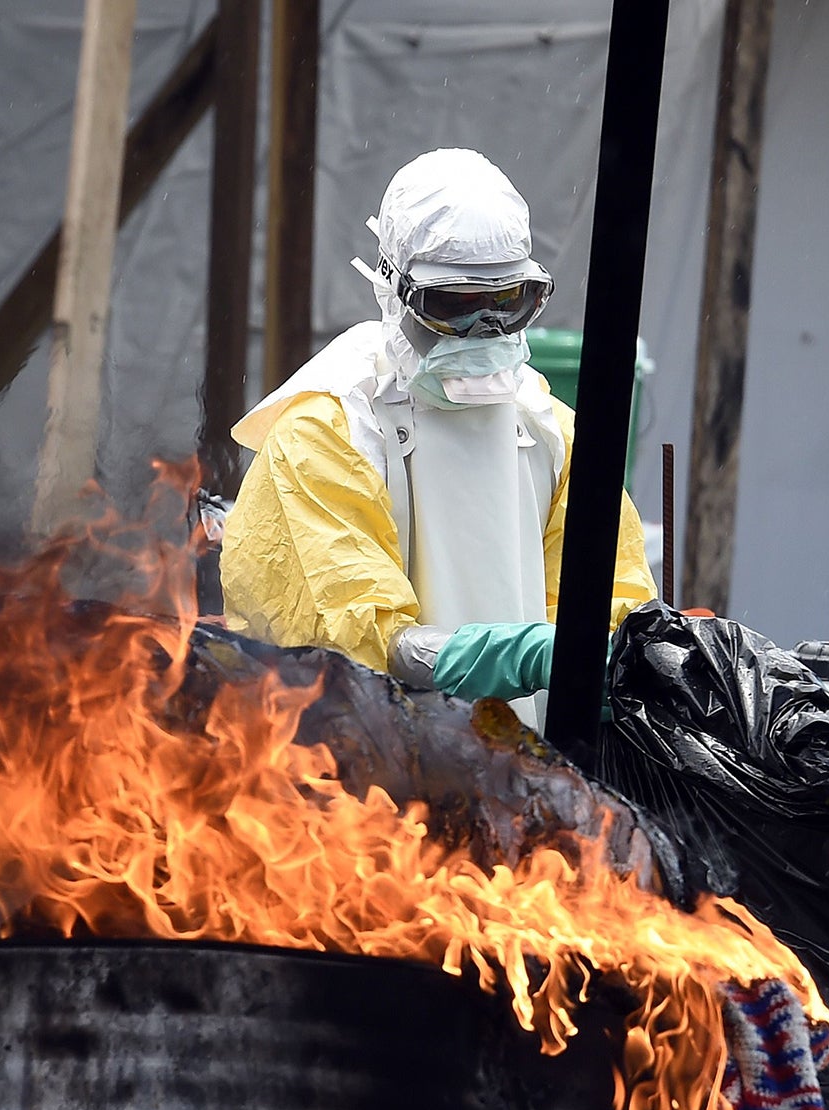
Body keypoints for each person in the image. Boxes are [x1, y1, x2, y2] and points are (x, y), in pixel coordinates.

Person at [220, 148, 655, 727]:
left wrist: (609, 656)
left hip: (523, 774)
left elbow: (616, 600)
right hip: (359, 781)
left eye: (508, 302)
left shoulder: (551, 430)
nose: (486, 330)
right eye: (454, 305)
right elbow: (343, 634)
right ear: (392, 289)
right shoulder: (329, 431)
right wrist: (494, 659)